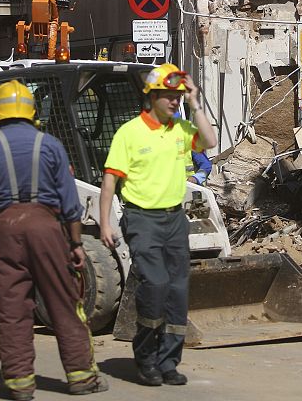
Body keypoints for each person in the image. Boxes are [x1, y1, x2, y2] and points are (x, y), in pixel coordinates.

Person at [0, 79, 108, 401]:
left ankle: (20, 383)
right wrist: (76, 243)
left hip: (6, 230)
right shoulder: (50, 145)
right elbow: (70, 203)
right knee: (63, 302)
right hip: (46, 228)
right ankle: (81, 377)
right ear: (32, 110)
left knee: (12, 308)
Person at [99, 64, 216, 387]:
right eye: (170, 96)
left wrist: (194, 102)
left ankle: (168, 362)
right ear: (152, 97)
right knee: (156, 284)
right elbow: (110, 180)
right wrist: (105, 222)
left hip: (175, 219)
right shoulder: (130, 132)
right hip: (142, 218)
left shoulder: (180, 129)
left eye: (178, 97)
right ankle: (146, 358)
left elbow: (211, 139)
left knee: (178, 290)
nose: (175, 102)